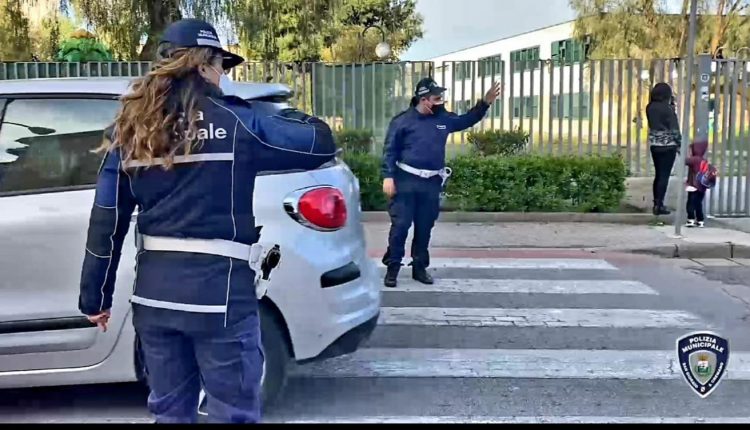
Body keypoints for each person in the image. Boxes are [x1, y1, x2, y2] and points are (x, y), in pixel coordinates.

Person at [77, 19, 337, 424]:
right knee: (232, 413)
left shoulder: (128, 130)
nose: (224, 76)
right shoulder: (237, 121)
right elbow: (319, 143)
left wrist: (94, 298)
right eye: (221, 65)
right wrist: (283, 110)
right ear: (204, 65)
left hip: (154, 300)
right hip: (220, 297)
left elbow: (106, 220)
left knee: (169, 413)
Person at [380, 77, 501, 288]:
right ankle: (393, 269)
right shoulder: (402, 121)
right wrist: (388, 176)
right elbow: (390, 151)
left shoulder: (443, 119)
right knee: (400, 226)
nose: (441, 101)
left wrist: (485, 103)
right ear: (424, 99)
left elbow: (467, 119)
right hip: (406, 181)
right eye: (437, 97)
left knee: (425, 227)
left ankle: (420, 268)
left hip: (431, 183)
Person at [646, 82, 681, 216]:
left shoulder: (650, 107)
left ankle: (656, 203)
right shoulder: (667, 109)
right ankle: (660, 205)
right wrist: (679, 145)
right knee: (664, 176)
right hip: (668, 146)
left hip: (655, 145)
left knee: (658, 174)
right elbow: (674, 129)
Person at [685, 139, 709, 228]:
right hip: (702, 186)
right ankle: (700, 220)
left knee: (690, 203)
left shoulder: (694, 159)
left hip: (693, 185)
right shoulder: (704, 160)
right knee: (698, 203)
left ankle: (690, 219)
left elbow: (685, 161)